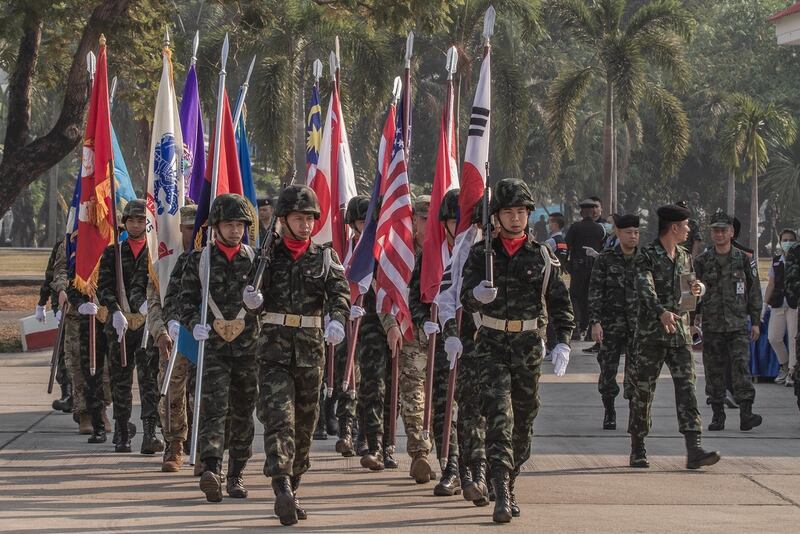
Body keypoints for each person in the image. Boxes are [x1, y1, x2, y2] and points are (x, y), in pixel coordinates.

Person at [459, 179, 575, 523]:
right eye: (508, 212)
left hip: (527, 347)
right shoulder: (482, 253)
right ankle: (501, 490)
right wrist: (476, 294)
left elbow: (560, 302)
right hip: (491, 345)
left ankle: (509, 477)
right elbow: (464, 294)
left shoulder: (542, 255)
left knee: (523, 421)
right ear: (496, 217)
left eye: (521, 212)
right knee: (498, 417)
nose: (515, 218)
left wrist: (562, 340)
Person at [243, 185, 349, 526]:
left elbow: (339, 293)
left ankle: (294, 484)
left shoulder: (324, 257)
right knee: (279, 419)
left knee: (304, 426)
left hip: (310, 351)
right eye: (298, 218)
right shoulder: (266, 257)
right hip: (273, 350)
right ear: (283, 220)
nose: (305, 225)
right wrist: (250, 299)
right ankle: (282, 487)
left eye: (309, 219)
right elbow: (247, 296)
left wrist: (337, 318)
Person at [181, 194, 260, 502]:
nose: (235, 230)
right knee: (213, 409)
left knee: (242, 411)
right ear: (216, 227)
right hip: (213, 346)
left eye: (240, 225)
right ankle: (212, 468)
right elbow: (185, 300)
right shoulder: (200, 260)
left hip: (247, 347)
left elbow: (268, 302)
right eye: (229, 224)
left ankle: (237, 473)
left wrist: (260, 303)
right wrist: (191, 324)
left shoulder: (256, 261)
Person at [629, 204, 720, 470]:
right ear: (674, 227)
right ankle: (638, 447)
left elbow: (689, 290)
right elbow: (644, 288)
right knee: (643, 392)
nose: (689, 230)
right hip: (651, 335)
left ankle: (694, 449)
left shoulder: (684, 255)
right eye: (686, 226)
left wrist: (698, 290)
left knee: (688, 390)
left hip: (679, 334)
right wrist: (660, 312)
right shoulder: (646, 255)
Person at [94, 199, 161, 455]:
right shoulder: (113, 251)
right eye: (131, 220)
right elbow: (105, 286)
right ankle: (122, 433)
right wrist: (114, 311)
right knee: (121, 382)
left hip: (146, 325)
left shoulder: (155, 250)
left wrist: (150, 308)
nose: (136, 224)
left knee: (149, 382)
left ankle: (150, 433)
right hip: (120, 326)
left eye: (140, 220)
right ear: (124, 223)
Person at [406, 188, 461, 495]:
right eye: (452, 220)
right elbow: (416, 293)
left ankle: (478, 468)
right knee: (441, 406)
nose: (458, 226)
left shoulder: (479, 252)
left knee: (473, 409)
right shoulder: (431, 253)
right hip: (440, 341)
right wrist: (423, 319)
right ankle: (450, 466)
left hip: (478, 343)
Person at [694, 211, 763, 432]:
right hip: (712, 326)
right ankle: (717, 416)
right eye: (715, 230)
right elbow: (693, 292)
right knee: (713, 371)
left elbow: (754, 292)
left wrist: (755, 322)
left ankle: (746, 414)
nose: (719, 234)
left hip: (737, 325)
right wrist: (692, 319)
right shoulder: (702, 261)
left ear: (732, 232)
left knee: (741, 369)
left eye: (724, 230)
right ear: (711, 233)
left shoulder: (744, 259)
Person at [143, 204, 198, 472]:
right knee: (171, 394)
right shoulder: (163, 264)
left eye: (199, 227)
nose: (195, 233)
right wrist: (160, 332)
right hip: (173, 338)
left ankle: (202, 448)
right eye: (189, 228)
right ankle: (174, 445)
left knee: (205, 394)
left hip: (206, 336)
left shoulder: (212, 258)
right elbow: (153, 304)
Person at [588, 214, 640, 431]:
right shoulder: (606, 258)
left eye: (636, 232)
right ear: (618, 233)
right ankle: (609, 410)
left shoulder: (645, 258)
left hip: (637, 325)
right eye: (628, 232)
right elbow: (595, 291)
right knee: (608, 370)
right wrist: (595, 322)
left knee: (636, 372)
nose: (633, 236)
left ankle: (635, 413)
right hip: (610, 324)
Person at [36, 236, 72, 412]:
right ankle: (67, 392)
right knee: (64, 349)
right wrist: (42, 302)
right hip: (64, 302)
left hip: (92, 304)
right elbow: (51, 273)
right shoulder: (63, 242)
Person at [565, 198, 605, 341]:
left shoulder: (575, 227)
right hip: (595, 269)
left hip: (578, 268)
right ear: (593, 212)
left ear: (582, 213)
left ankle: (576, 328)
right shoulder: (600, 229)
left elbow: (566, 246)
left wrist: (566, 264)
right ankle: (589, 331)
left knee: (575, 297)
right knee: (590, 298)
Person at [764, 229, 798, 386]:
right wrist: (764, 305)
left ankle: (792, 372)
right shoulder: (776, 260)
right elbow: (771, 284)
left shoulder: (798, 260)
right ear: (780, 241)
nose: (788, 242)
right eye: (785, 239)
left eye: (791, 239)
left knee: (793, 339)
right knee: (773, 337)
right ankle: (784, 366)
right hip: (777, 303)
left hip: (794, 305)